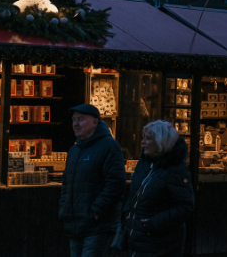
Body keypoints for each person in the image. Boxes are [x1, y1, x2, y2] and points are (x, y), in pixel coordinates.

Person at [59, 104, 126, 257]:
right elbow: (66, 183)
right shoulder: (74, 150)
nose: (75, 124)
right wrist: (64, 209)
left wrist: (95, 212)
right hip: (76, 225)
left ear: (95, 122)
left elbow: (115, 185)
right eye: (74, 120)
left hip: (98, 227)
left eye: (81, 119)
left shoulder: (109, 146)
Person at [123, 120, 195, 257]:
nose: (143, 141)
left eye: (148, 138)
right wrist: (127, 213)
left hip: (161, 243)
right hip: (138, 238)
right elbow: (135, 194)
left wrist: (154, 223)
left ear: (161, 142)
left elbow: (185, 206)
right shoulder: (144, 163)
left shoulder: (176, 169)